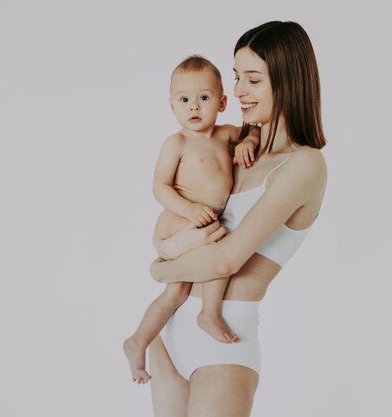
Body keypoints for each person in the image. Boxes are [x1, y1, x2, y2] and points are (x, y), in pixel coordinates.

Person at [147, 21, 328, 416]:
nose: (239, 91)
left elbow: (226, 259)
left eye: (253, 79)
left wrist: (159, 269)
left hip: (224, 340)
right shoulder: (236, 147)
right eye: (235, 77)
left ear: (287, 80)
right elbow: (179, 211)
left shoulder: (303, 165)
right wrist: (166, 247)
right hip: (171, 330)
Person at [123, 55, 261, 384]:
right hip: (179, 219)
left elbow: (252, 129)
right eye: (184, 100)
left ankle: (137, 340)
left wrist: (250, 142)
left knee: (176, 292)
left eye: (204, 98)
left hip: (200, 221)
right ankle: (210, 313)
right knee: (219, 249)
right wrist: (187, 209)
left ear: (222, 101)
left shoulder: (225, 134)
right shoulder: (177, 143)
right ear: (172, 105)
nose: (194, 107)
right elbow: (160, 186)